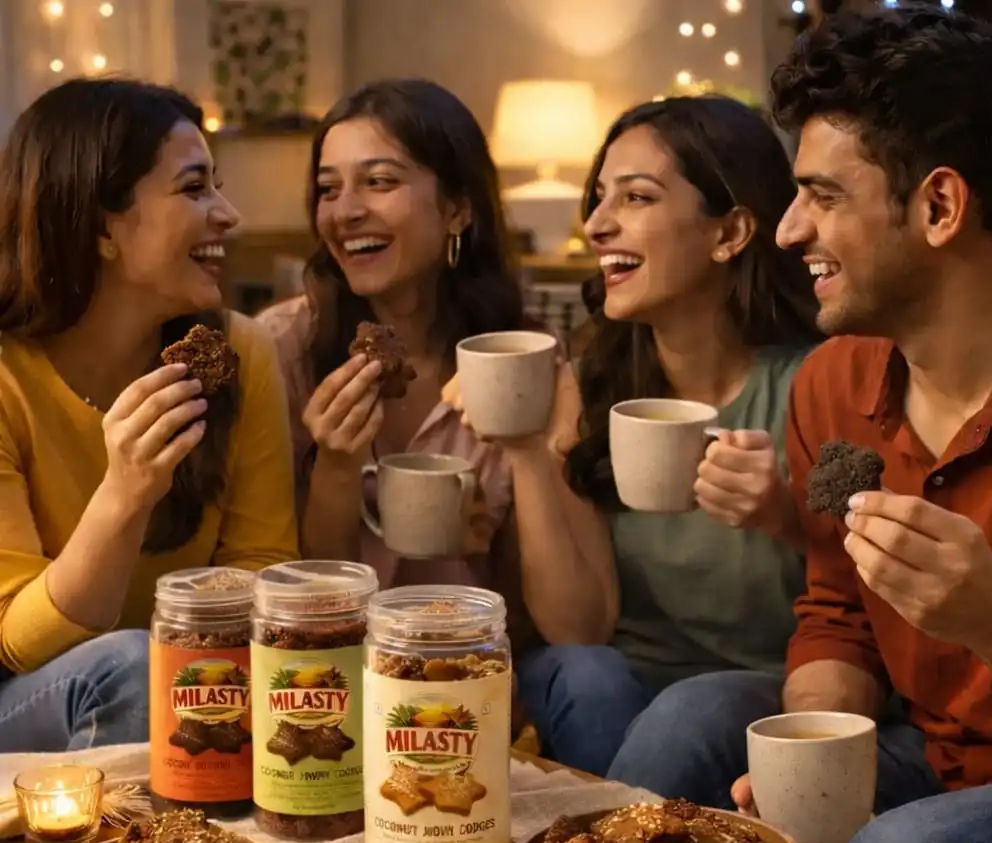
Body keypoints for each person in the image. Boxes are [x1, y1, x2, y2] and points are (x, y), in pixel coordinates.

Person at [632, 7, 992, 843]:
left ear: (939, 206)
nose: (790, 229)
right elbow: (835, 609)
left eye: (818, 196)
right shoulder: (836, 387)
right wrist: (815, 747)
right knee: (690, 722)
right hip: (923, 749)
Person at [508, 96, 823, 783]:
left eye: (637, 197)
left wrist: (782, 515)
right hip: (617, 694)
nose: (596, 225)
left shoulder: (817, 385)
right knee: (583, 674)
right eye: (599, 199)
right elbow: (580, 627)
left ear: (730, 231)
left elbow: (868, 599)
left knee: (694, 708)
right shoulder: (591, 387)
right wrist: (532, 450)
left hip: (768, 692)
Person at [0, 78, 299, 753]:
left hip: (187, 683)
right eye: (195, 189)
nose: (228, 214)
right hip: (29, 697)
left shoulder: (239, 354)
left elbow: (264, 567)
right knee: (130, 668)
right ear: (101, 224)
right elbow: (17, 642)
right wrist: (125, 494)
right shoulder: (7, 376)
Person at [260, 78, 556, 642]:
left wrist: (493, 540)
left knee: (588, 678)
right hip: (334, 665)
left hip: (479, 660)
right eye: (328, 189)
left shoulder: (524, 357)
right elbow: (305, 602)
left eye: (379, 182)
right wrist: (337, 468)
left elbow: (550, 621)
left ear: (457, 209)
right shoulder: (279, 350)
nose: (345, 211)